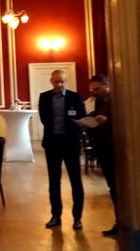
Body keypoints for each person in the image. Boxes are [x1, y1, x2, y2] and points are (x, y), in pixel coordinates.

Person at [37, 70, 86, 230]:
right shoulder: (44, 97)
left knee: (75, 180)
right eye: (56, 82)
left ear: (65, 81)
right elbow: (44, 119)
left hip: (70, 143)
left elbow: (82, 117)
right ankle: (55, 215)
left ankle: (77, 217)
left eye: (62, 82)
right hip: (52, 143)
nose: (59, 85)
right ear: (51, 81)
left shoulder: (74, 97)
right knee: (54, 181)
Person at [86, 74, 117, 236]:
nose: (94, 92)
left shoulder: (117, 101)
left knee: (118, 187)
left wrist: (106, 120)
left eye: (97, 88)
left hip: (115, 149)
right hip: (103, 149)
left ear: (107, 85)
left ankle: (121, 221)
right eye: (93, 89)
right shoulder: (99, 101)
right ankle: (119, 221)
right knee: (112, 187)